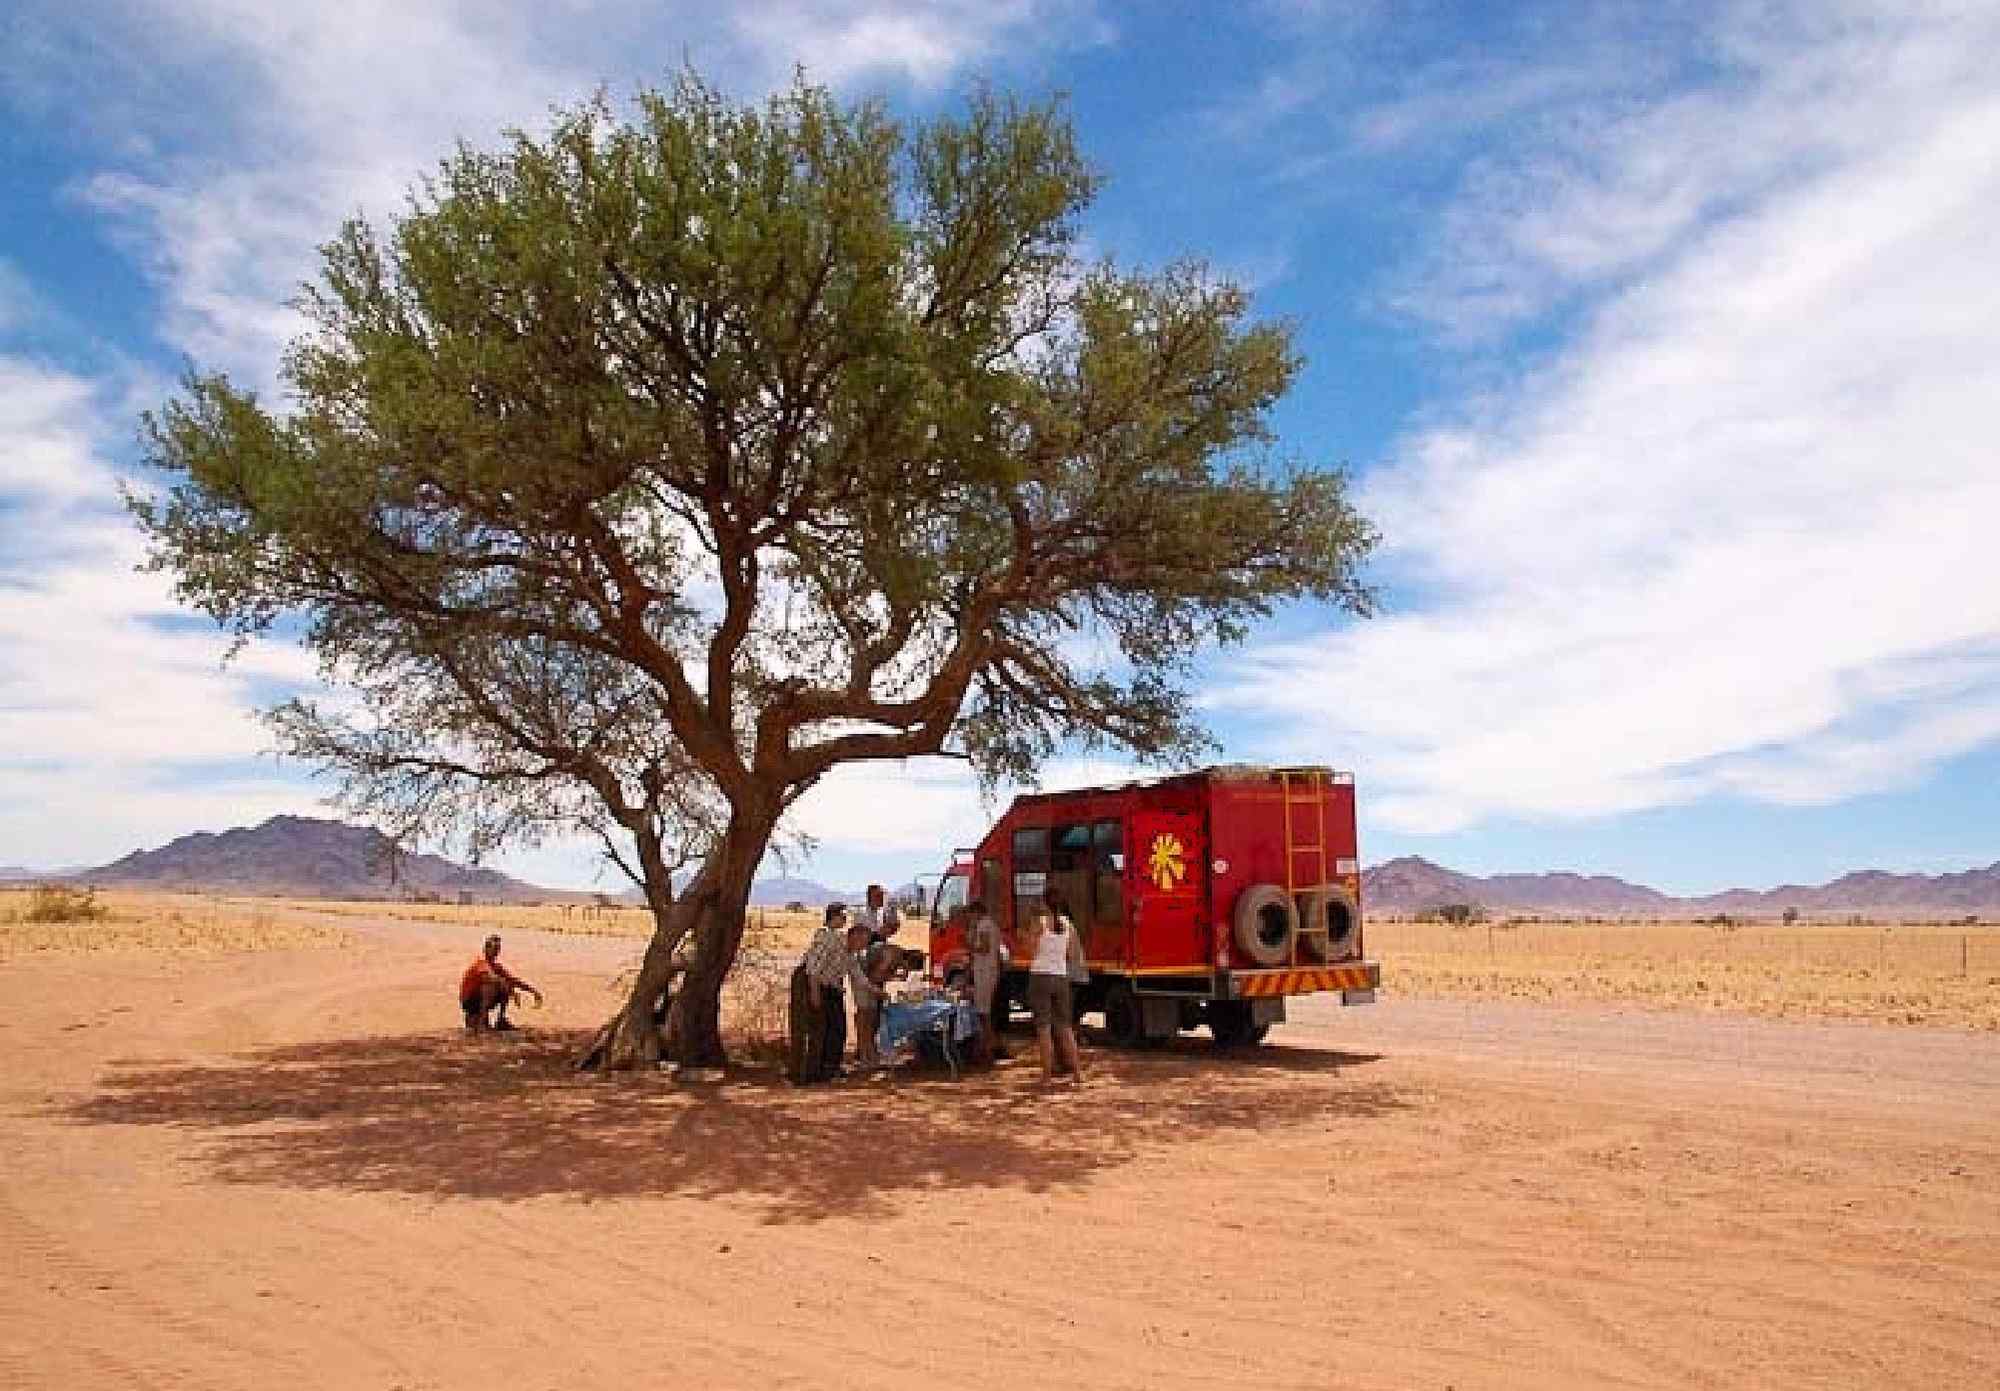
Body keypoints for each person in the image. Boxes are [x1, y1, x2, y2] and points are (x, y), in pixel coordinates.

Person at [789, 903, 852, 1084]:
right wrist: (815, 992)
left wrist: (834, 986)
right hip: (808, 980)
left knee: (819, 1028)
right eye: (843, 915)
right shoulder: (826, 937)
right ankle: (801, 1074)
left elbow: (826, 969)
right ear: (834, 916)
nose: (845, 918)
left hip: (816, 981)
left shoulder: (835, 937)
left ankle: (814, 1071)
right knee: (807, 1027)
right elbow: (814, 968)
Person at [1023, 904, 1085, 1086]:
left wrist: (1026, 937)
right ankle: (1077, 1073)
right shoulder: (1067, 925)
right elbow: (1071, 954)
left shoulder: (1039, 923)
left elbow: (1032, 952)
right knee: (1065, 1028)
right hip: (1060, 977)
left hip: (1041, 976)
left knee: (1044, 1028)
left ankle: (1047, 1076)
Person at [459, 934, 542, 1033]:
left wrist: (533, 991)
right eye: (494, 949)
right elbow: (492, 977)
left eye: (498, 949)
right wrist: (512, 991)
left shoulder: (496, 966)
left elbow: (513, 980)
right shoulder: (481, 963)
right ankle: (482, 1021)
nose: (496, 952)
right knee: (494, 984)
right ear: (486, 949)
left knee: (504, 983)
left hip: (480, 1001)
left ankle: (500, 1019)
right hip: (470, 1002)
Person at [965, 897, 1008, 1063]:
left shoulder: (984, 925)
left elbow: (984, 948)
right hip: (987, 970)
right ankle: (990, 1046)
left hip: (985, 972)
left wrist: (968, 945)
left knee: (984, 1012)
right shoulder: (989, 925)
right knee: (986, 1010)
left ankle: (988, 1049)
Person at [846, 922, 887, 1067]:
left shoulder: (859, 953)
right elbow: (859, 978)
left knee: (869, 1017)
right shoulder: (849, 954)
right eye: (864, 941)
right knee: (863, 1017)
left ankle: (869, 1052)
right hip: (863, 990)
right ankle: (864, 1055)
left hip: (868, 989)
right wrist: (877, 991)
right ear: (855, 936)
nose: (865, 944)